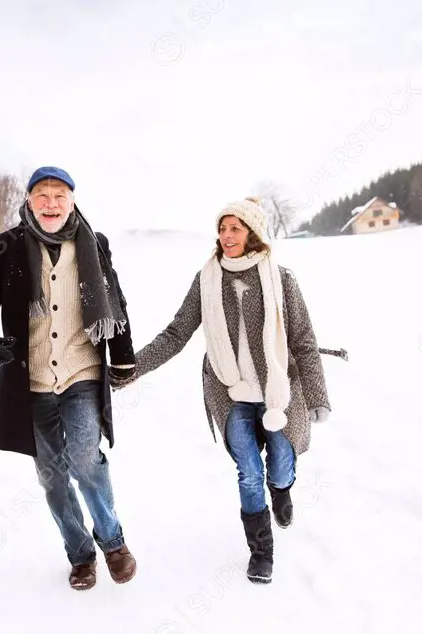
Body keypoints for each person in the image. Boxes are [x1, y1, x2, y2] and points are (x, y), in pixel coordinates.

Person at [118, 197, 331, 585]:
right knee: (249, 472)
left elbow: (303, 338)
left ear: (252, 233)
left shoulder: (281, 278)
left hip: (279, 388)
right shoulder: (207, 279)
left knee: (281, 464)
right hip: (229, 389)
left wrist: (318, 396)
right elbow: (177, 333)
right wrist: (131, 369)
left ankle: (282, 490)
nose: (226, 235)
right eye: (222, 228)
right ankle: (261, 552)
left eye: (235, 228)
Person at [0, 166, 140, 591]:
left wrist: (124, 356)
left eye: (59, 195)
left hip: (81, 372)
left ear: (72, 201)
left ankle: (112, 541)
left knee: (84, 458)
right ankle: (80, 556)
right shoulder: (4, 248)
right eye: (42, 195)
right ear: (28, 201)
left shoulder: (94, 245)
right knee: (52, 476)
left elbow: (114, 301)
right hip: (33, 381)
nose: (51, 203)